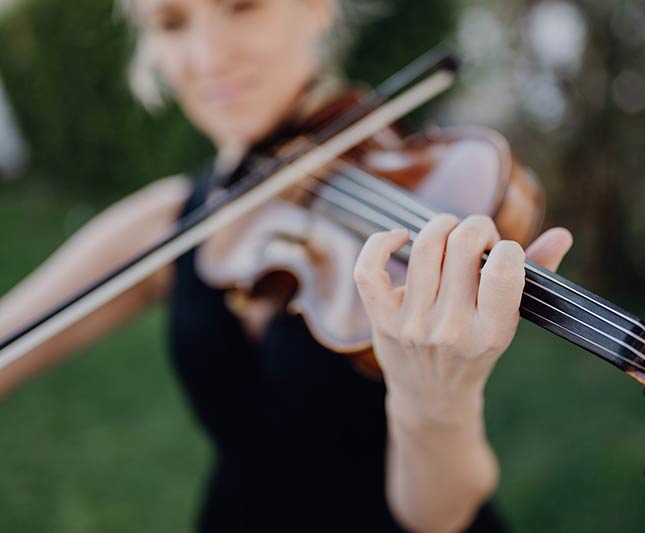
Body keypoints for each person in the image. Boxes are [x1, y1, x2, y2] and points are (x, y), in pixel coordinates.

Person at [0, 0, 573, 531]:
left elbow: (439, 514)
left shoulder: (423, 190)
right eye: (173, 22)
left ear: (316, 8)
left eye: (242, 5)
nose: (207, 57)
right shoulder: (171, 220)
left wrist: (435, 402)